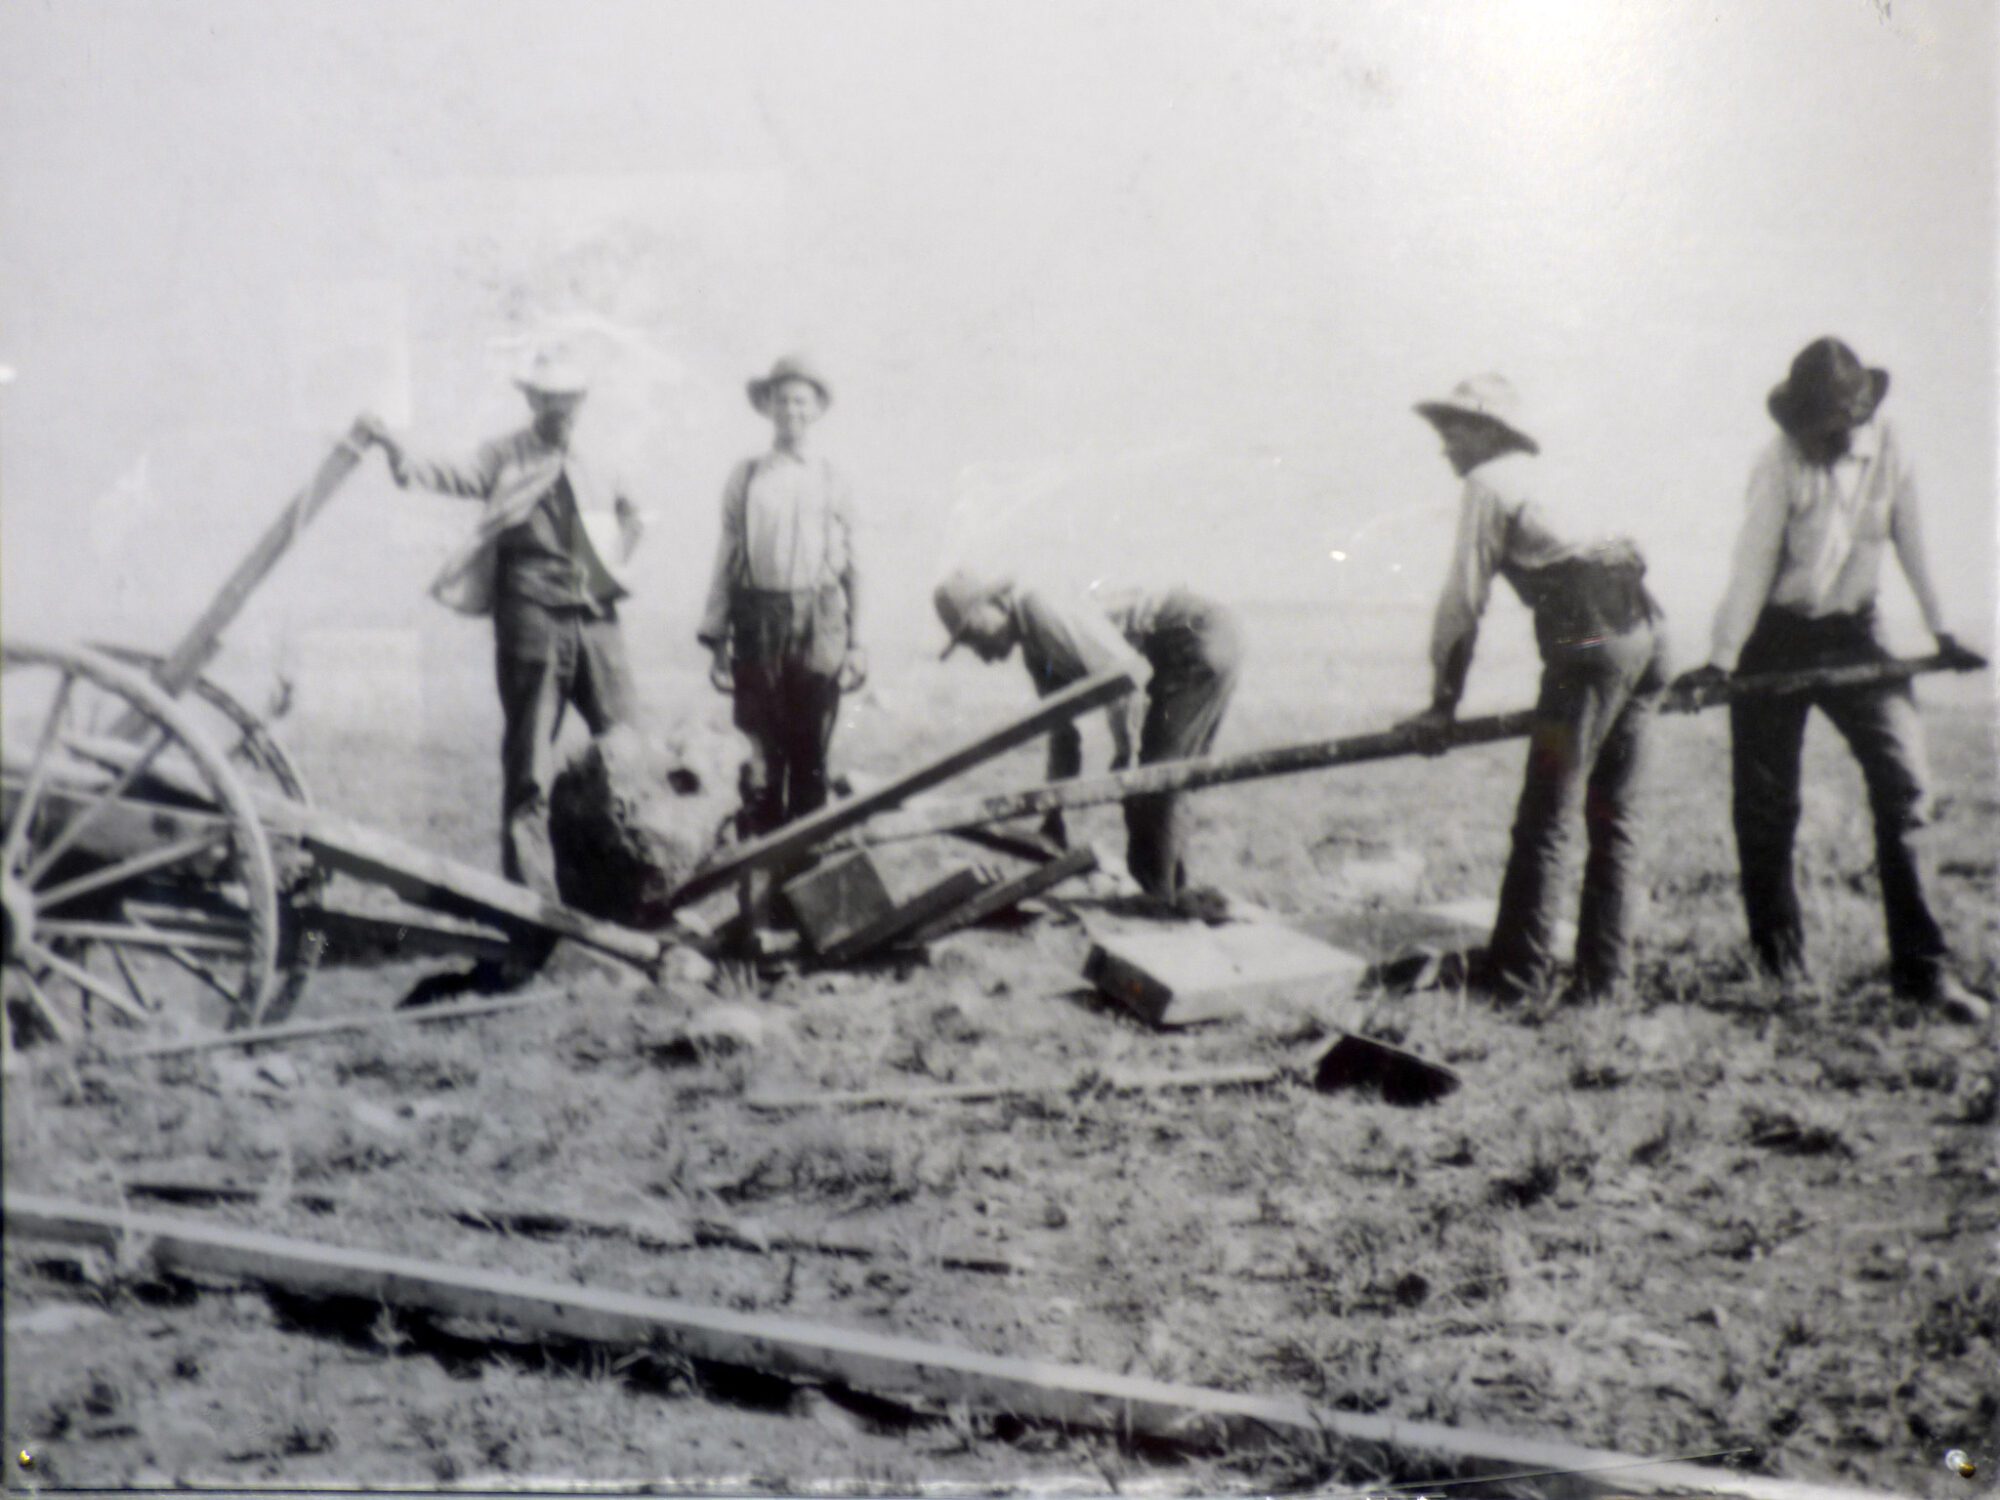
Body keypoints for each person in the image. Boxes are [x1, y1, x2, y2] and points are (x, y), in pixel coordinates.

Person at [1672, 337, 1988, 1025]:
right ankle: (1780, 971)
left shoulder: (1894, 449)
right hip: (1772, 640)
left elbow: (1914, 539)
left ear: (1855, 415)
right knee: (1767, 808)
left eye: (1832, 427)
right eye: (1808, 428)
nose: (1820, 439)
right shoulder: (1777, 463)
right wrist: (1723, 659)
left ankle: (1925, 973)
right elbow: (1753, 563)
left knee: (1906, 790)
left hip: (1856, 635)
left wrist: (1941, 630)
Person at [1395, 374, 1669, 1004]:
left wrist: (1443, 704)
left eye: (1453, 430)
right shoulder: (1556, 477)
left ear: (1490, 433)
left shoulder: (1488, 484)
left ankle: (1517, 982)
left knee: (1546, 817)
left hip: (1592, 649)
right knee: (1615, 816)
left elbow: (1463, 599)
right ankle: (1606, 983)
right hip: (1651, 637)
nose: (1444, 446)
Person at [357, 350, 643, 896]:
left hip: (597, 616)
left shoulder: (600, 460)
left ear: (582, 402)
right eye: (549, 398)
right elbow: (449, 472)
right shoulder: (505, 455)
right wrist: (395, 446)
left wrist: (614, 563)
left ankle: (629, 892)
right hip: (531, 615)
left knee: (629, 748)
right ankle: (532, 907)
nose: (560, 409)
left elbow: (634, 512)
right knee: (530, 762)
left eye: (570, 399)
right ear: (532, 400)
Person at [933, 571, 1243, 904]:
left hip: (1195, 637)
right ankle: (1170, 894)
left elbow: (1123, 675)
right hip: (1197, 642)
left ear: (996, 604)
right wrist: (1053, 816)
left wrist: (1127, 754)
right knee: (1163, 780)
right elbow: (1062, 733)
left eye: (971, 633)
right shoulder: (1036, 650)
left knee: (1154, 780)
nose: (978, 652)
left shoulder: (1039, 609)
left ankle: (1159, 902)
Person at [698, 356, 864, 840]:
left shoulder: (834, 477)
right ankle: (759, 904)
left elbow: (857, 563)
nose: (791, 409)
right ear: (767, 406)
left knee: (811, 761)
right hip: (757, 625)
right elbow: (726, 559)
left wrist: (858, 643)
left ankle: (804, 893)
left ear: (815, 410)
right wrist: (716, 643)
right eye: (782, 399)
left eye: (801, 400)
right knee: (760, 765)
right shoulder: (746, 476)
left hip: (819, 623)